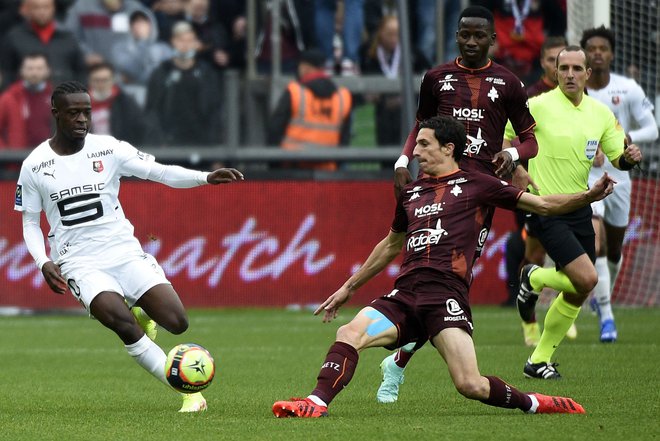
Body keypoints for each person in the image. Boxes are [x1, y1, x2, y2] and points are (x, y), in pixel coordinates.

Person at [271, 115, 618, 418]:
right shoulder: (411, 193)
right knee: (349, 333)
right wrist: (348, 288)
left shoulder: (478, 185)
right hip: (404, 295)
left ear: (448, 148)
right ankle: (315, 402)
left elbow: (541, 204)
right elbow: (391, 244)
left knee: (470, 384)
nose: (415, 152)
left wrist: (587, 196)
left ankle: (534, 403)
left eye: (423, 144)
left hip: (446, 296)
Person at [14, 80, 243, 412]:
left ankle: (140, 309)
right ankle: (188, 393)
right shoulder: (35, 165)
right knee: (121, 322)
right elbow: (30, 223)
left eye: (87, 112)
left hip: (122, 250)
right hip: (77, 261)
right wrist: (42, 262)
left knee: (177, 322)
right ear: (55, 114)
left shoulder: (109, 149)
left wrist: (204, 177)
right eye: (74, 112)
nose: (82, 119)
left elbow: (159, 172)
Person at [379, 5, 538, 404]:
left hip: (480, 191)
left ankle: (397, 361)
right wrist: (403, 161)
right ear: (456, 36)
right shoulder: (436, 78)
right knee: (440, 276)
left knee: (454, 278)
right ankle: (398, 363)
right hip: (435, 186)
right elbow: (420, 125)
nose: (470, 41)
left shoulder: (508, 82)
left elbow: (530, 139)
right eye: (464, 34)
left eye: (478, 36)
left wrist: (515, 157)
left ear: (492, 39)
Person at [510, 46, 642, 379]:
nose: (569, 74)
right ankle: (535, 277)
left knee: (579, 289)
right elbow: (505, 137)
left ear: (587, 74)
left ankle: (538, 360)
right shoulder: (535, 106)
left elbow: (616, 156)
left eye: (576, 68)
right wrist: (515, 169)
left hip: (580, 206)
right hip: (546, 207)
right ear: (555, 72)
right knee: (588, 278)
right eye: (563, 67)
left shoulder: (599, 113)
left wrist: (629, 156)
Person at [580, 26, 658, 342]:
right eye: (592, 49)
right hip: (587, 178)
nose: (597, 53)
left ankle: (604, 298)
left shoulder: (628, 89)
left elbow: (652, 129)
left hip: (621, 178)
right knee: (595, 242)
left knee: (613, 249)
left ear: (611, 54)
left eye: (603, 48)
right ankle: (608, 318)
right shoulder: (576, 90)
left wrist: (627, 140)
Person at [267, 48, 352, 172]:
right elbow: (344, 139)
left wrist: (274, 166)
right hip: (327, 171)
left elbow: (275, 130)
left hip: (292, 170)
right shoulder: (342, 96)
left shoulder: (295, 92)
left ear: (304, 67)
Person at [145, 20, 223, 147]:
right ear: (172, 41)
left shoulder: (206, 73)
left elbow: (215, 111)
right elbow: (152, 111)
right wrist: (159, 141)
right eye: (181, 40)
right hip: (169, 143)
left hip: (202, 142)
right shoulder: (161, 72)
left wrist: (214, 145)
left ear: (195, 43)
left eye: (189, 40)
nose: (185, 45)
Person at [360, 15, 430, 147]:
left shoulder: (411, 52)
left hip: (405, 107)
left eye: (397, 35)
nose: (394, 39)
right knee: (385, 146)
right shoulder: (369, 52)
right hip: (382, 109)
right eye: (389, 34)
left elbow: (427, 73)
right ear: (380, 33)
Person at [0, 0, 86, 90]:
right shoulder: (14, 38)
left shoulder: (68, 38)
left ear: (54, 9)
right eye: (36, 7)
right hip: (26, 98)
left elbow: (81, 71)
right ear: (27, 10)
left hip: (64, 98)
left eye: (46, 7)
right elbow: (7, 73)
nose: (42, 11)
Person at [110, 9, 173, 107]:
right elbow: (135, 71)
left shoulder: (164, 48)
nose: (139, 25)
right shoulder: (119, 49)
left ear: (151, 24)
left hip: (161, 98)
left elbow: (169, 74)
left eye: (143, 22)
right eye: (135, 22)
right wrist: (143, 42)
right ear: (129, 26)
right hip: (132, 99)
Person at [63, 0, 155, 67]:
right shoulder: (82, 6)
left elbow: (148, 39)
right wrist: (86, 54)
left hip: (126, 76)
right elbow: (69, 36)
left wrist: (132, 64)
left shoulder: (135, 9)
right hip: (92, 72)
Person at [87, 62, 150, 145]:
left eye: (105, 80)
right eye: (97, 80)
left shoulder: (125, 102)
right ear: (90, 81)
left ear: (112, 80)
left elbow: (138, 127)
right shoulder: (81, 103)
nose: (101, 84)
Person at [0, 52, 53, 150]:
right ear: (21, 71)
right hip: (17, 160)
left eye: (39, 68)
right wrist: (5, 154)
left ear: (47, 71)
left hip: (49, 159)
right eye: (30, 68)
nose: (34, 73)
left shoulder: (56, 97)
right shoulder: (9, 97)